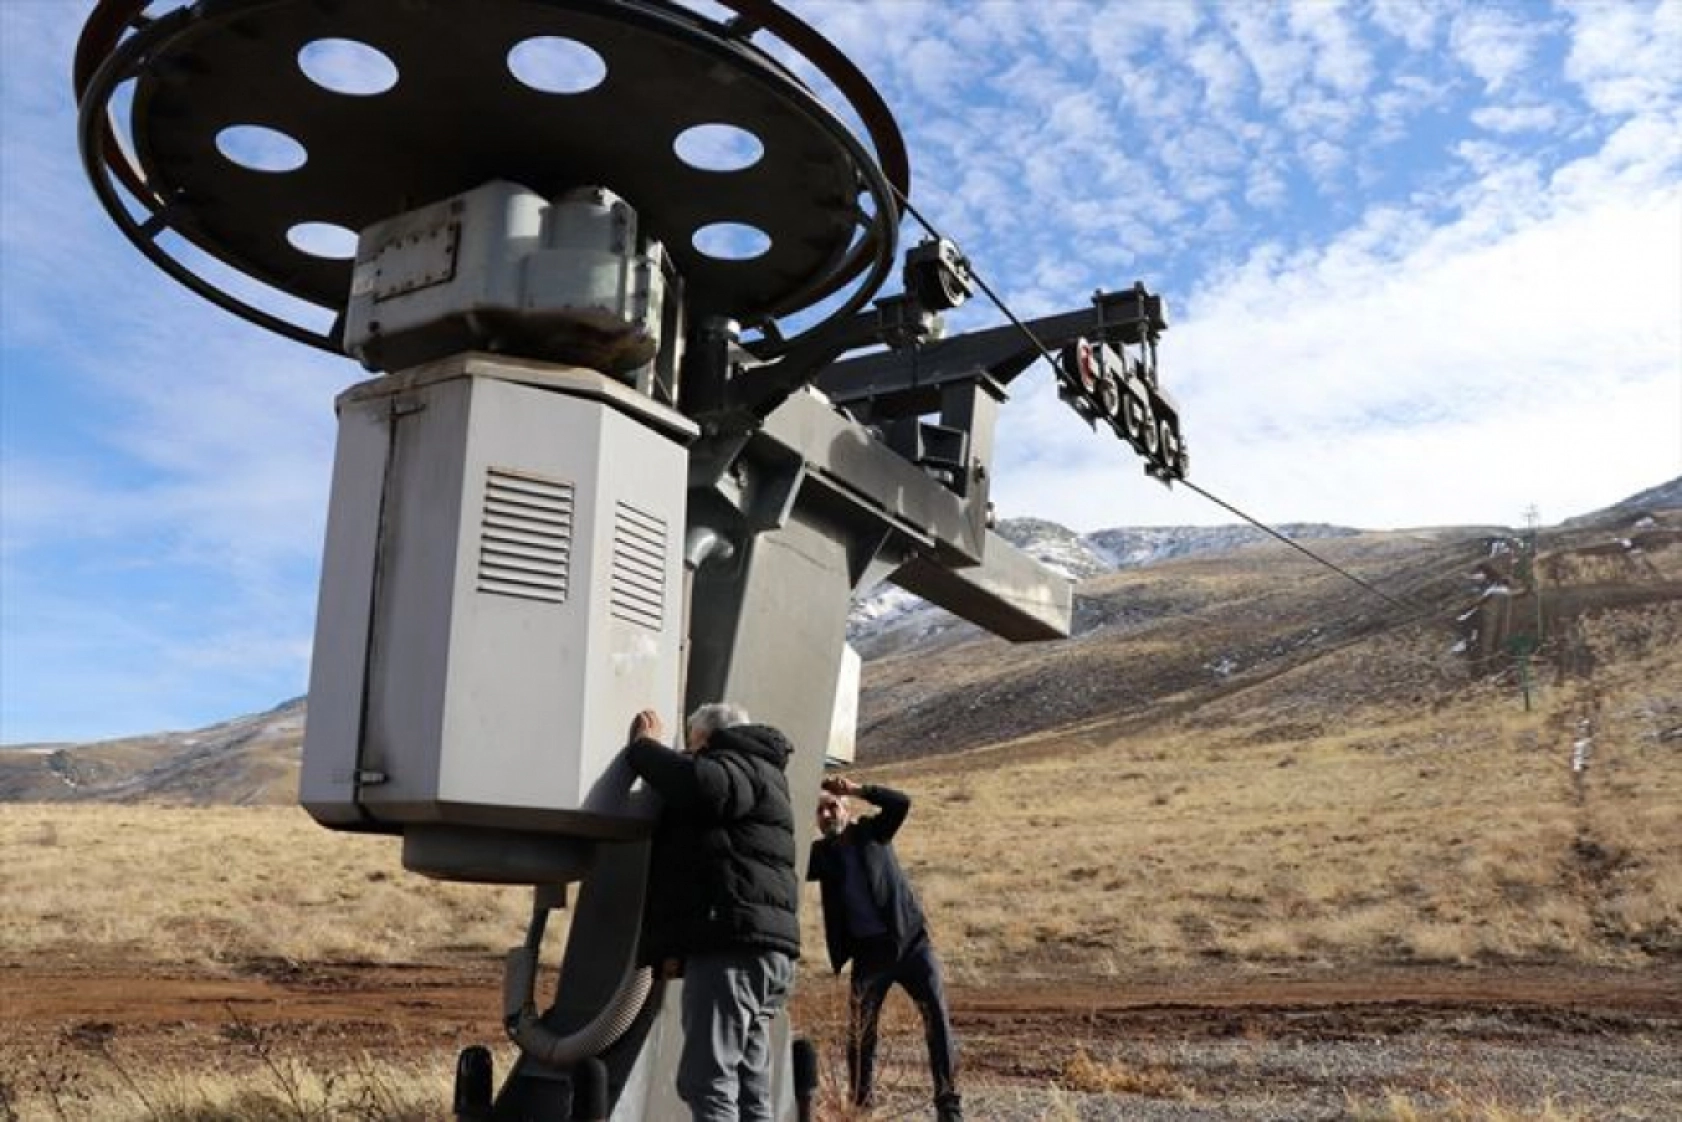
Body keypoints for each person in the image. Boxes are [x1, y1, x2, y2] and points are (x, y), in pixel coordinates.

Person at [625, 702, 801, 1122]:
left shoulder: (735, 763)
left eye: (693, 745)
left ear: (705, 738)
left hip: (732, 952)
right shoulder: (765, 772)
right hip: (763, 951)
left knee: (707, 1081)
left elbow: (703, 787)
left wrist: (644, 749)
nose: (690, 753)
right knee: (749, 1088)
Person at [807, 776, 962, 1121]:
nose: (827, 814)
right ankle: (861, 1107)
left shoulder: (872, 833)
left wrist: (858, 789)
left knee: (936, 1020)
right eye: (820, 811)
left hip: (911, 944)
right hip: (868, 954)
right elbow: (782, 858)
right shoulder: (820, 855)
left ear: (847, 809)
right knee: (861, 1033)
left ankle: (949, 1109)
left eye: (832, 806)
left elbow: (901, 803)